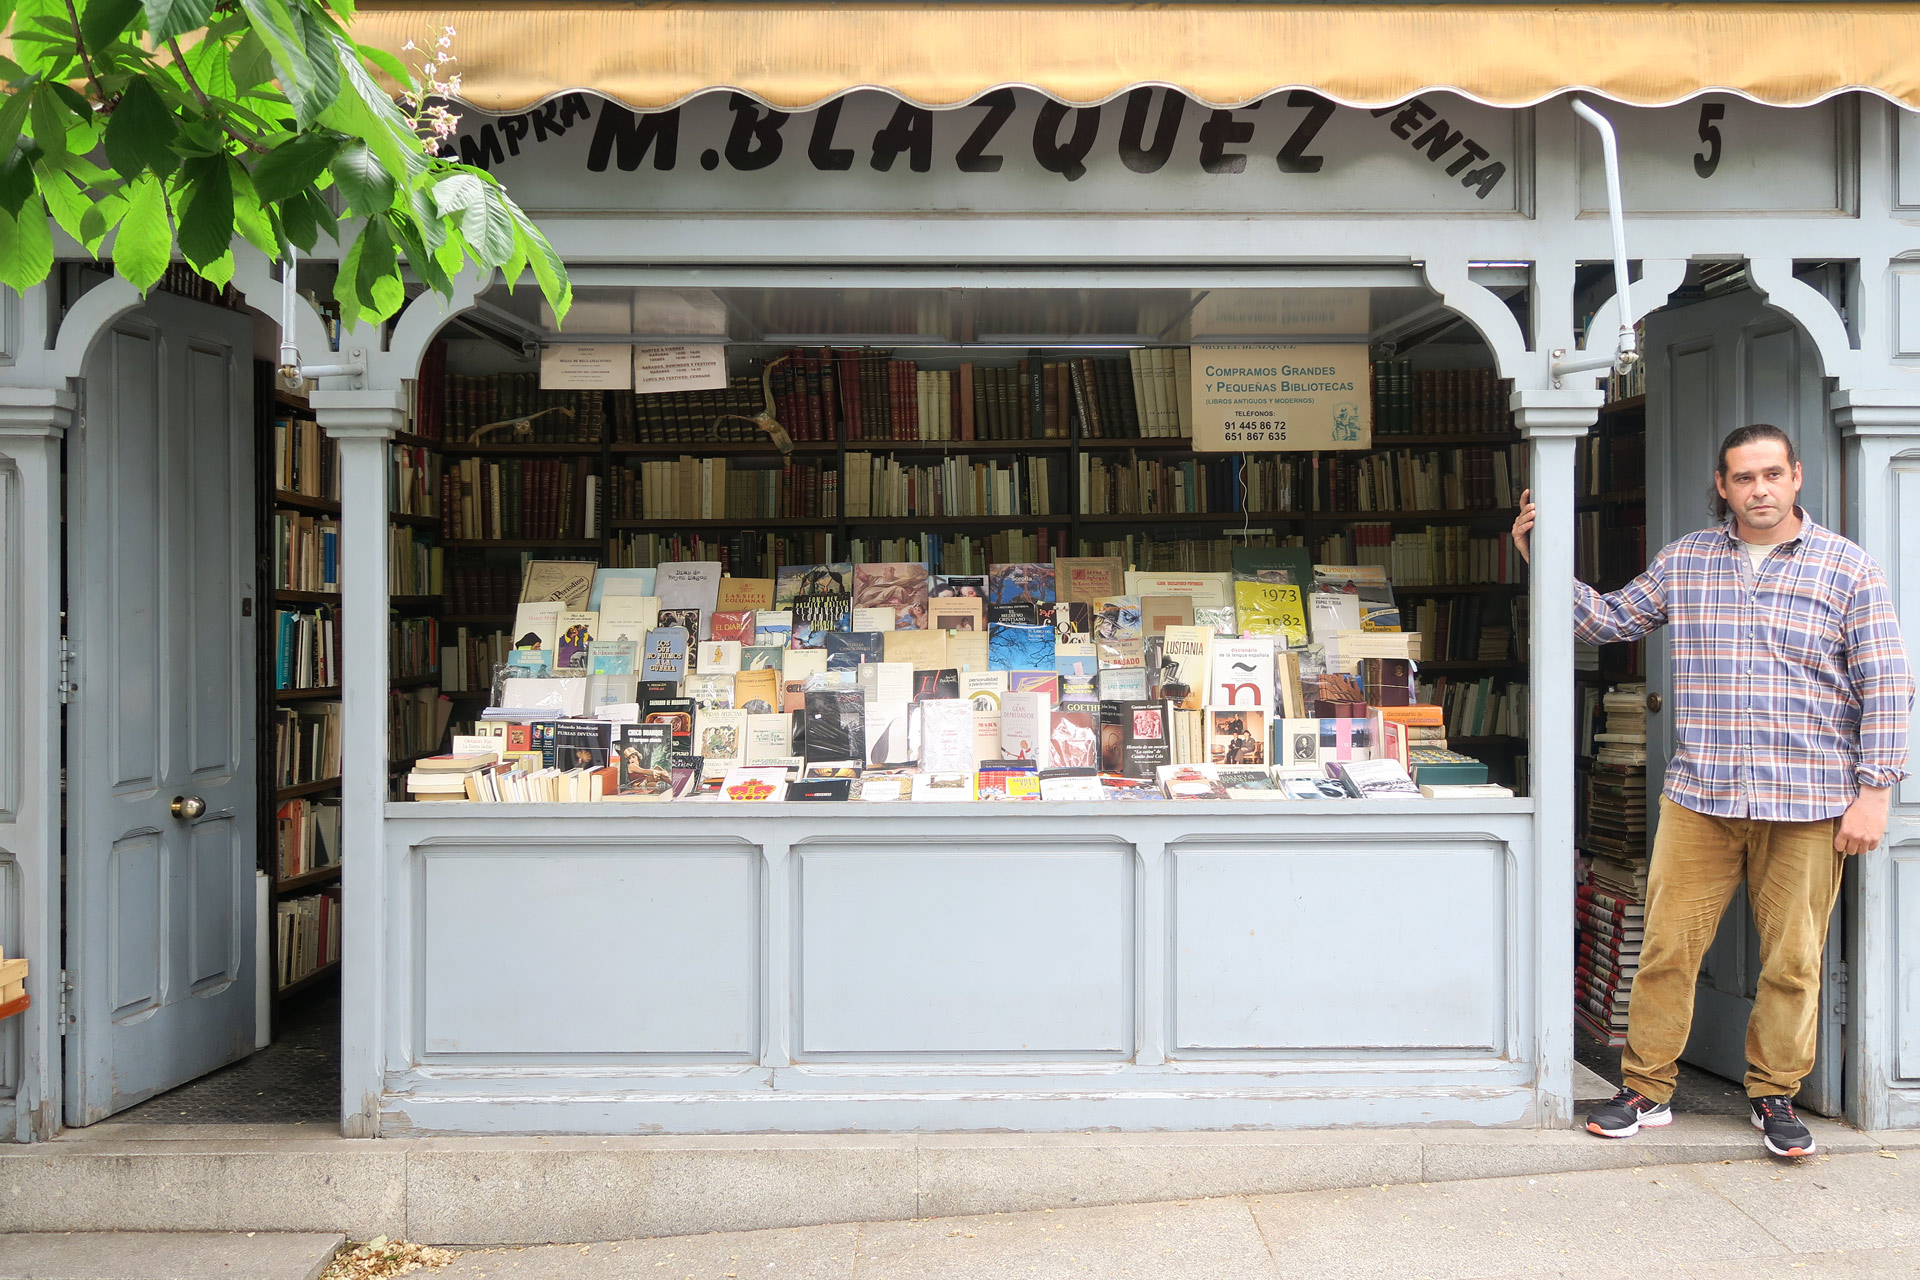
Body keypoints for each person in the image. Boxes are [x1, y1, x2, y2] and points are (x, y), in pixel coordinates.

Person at [1513, 423, 1912, 1158]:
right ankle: (1646, 1089)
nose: (1759, 490)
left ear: (1796, 477)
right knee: (1666, 948)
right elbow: (1606, 620)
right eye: (1742, 478)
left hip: (1811, 801)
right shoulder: (1687, 560)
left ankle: (1774, 1096)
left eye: (1771, 474)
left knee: (1793, 959)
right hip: (1701, 797)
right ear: (1722, 487)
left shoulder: (1848, 569)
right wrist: (1542, 558)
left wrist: (1875, 791)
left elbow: (1886, 687)